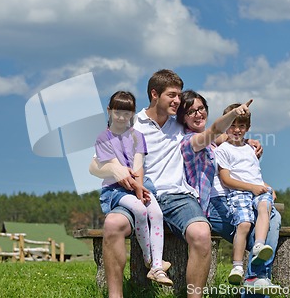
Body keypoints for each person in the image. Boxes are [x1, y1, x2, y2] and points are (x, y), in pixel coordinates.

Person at [89, 69, 212, 298]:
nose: (178, 101)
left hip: (178, 197)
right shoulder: (131, 123)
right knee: (113, 225)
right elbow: (94, 165)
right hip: (139, 195)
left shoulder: (181, 125)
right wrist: (115, 170)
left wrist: (245, 141)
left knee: (202, 233)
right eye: (172, 95)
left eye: (179, 95)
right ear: (155, 94)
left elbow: (210, 134)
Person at [176, 90, 281, 297]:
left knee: (272, 217)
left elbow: (228, 142)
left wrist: (247, 141)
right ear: (182, 118)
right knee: (258, 234)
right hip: (214, 204)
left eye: (201, 109)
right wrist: (235, 115)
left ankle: (254, 280)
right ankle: (255, 281)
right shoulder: (190, 142)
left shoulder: (220, 142)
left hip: (238, 196)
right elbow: (214, 132)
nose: (198, 114)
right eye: (190, 112)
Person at [94, 91, 172, 286]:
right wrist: (134, 187)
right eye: (117, 112)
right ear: (109, 111)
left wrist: (139, 186)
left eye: (127, 113)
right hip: (115, 189)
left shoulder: (137, 136)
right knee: (139, 209)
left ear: (132, 114)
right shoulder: (103, 138)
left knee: (156, 213)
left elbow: (139, 165)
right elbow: (115, 167)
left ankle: (157, 267)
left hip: (139, 183)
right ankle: (149, 260)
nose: (121, 117)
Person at [213, 103, 276, 287]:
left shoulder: (250, 148)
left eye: (241, 126)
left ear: (247, 129)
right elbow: (226, 180)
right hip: (239, 192)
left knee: (265, 208)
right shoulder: (223, 149)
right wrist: (252, 188)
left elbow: (253, 174)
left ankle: (259, 246)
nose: (237, 130)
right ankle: (237, 266)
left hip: (256, 189)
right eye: (232, 125)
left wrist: (265, 187)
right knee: (244, 223)